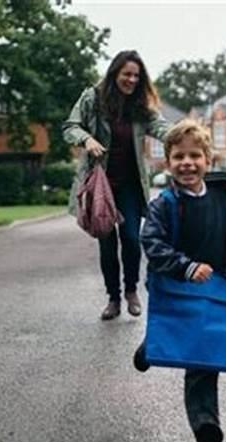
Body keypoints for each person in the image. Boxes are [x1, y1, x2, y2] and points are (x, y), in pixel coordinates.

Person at [137, 119, 226, 442]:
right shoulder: (164, 204)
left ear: (209, 160)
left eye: (195, 156)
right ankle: (152, 345)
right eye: (178, 157)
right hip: (174, 286)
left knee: (202, 356)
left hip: (210, 290)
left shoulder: (222, 199)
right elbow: (152, 242)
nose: (187, 163)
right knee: (179, 332)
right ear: (167, 163)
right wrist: (185, 266)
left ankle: (206, 426)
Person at [63, 50, 170, 321]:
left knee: (132, 239)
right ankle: (113, 298)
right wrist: (86, 139)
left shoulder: (140, 105)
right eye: (127, 74)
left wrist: (184, 134)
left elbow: (160, 127)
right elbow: (70, 127)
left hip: (131, 186)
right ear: (115, 74)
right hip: (102, 185)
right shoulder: (93, 99)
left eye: (136, 75)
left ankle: (131, 290)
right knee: (107, 243)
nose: (132, 80)